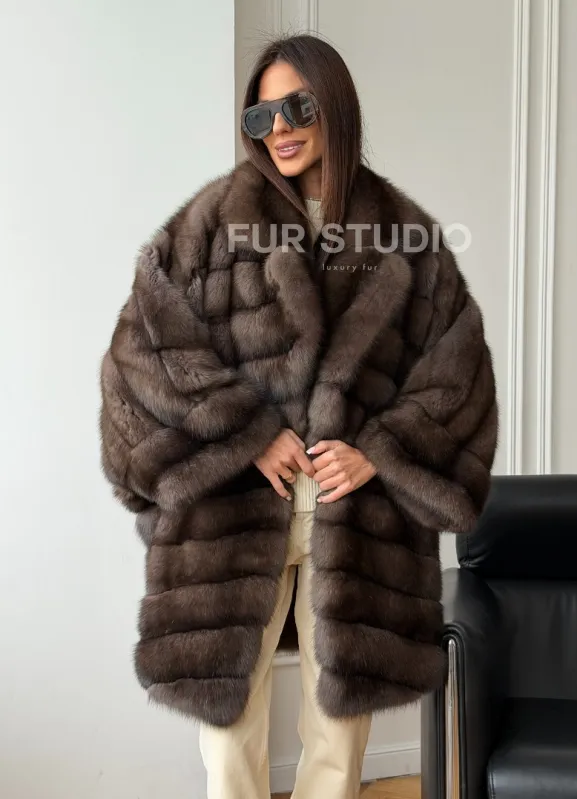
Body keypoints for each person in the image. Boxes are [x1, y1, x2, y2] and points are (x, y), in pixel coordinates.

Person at [99, 33, 499, 799]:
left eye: (298, 107)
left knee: (339, 734)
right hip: (233, 511)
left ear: (334, 106)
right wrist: (245, 433)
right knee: (228, 732)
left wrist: (379, 450)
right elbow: (142, 352)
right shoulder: (212, 224)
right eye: (262, 116)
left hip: (356, 518)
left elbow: (458, 370)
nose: (279, 128)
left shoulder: (401, 233)